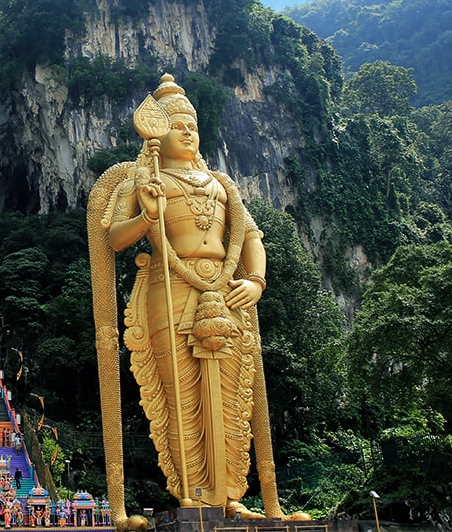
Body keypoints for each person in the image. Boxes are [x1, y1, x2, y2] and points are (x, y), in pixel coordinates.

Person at [90, 74, 306, 523]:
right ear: (156, 133)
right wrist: (147, 214)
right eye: (178, 125)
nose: (189, 131)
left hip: (226, 293)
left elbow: (250, 238)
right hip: (169, 290)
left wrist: (257, 282)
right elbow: (112, 238)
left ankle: (232, 498)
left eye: (193, 124)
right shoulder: (144, 179)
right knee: (179, 395)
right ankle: (192, 495)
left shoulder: (222, 183)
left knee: (233, 395)